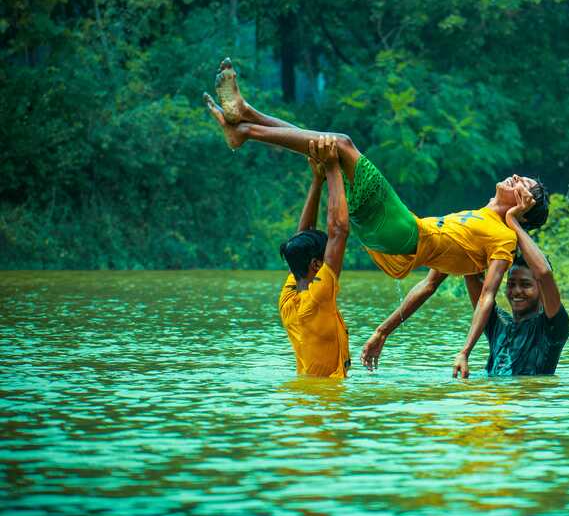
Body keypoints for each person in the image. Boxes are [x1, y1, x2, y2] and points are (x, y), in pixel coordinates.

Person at [203, 58, 550, 376]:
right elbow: (427, 285)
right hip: (391, 241)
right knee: (330, 148)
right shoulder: (477, 224)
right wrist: (382, 331)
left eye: (524, 186)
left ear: (524, 204)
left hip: (402, 232)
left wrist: (465, 351)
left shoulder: (502, 238)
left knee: (341, 144)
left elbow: (488, 296)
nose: (515, 178)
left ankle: (245, 129)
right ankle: (247, 115)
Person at [460, 188, 569, 376]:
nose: (516, 291)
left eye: (525, 285)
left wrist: (512, 221)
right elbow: (470, 270)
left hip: (526, 402)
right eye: (511, 284)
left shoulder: (552, 329)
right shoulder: (497, 324)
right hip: (496, 402)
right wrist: (494, 214)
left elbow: (543, 273)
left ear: (541, 291)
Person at [277, 136, 351, 378]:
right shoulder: (319, 296)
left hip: (308, 395)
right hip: (327, 402)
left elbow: (301, 237)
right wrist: (332, 168)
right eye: (326, 253)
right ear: (316, 264)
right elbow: (339, 230)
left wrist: (317, 181)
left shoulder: (289, 298)